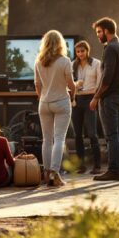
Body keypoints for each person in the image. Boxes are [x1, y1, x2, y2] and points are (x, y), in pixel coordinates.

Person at [90, 17, 119, 182]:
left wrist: (95, 97)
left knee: (112, 135)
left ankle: (114, 171)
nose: (98, 36)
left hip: (110, 98)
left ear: (106, 31)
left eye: (99, 32)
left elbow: (107, 79)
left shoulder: (110, 48)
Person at [34, 30, 76, 187]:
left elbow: (37, 85)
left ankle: (46, 174)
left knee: (46, 140)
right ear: (60, 44)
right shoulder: (65, 61)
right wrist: (73, 95)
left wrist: (41, 97)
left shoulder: (38, 61)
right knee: (59, 139)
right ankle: (55, 174)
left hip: (44, 103)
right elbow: (71, 84)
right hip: (61, 101)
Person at [71, 40, 102, 174]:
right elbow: (69, 83)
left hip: (90, 98)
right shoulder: (73, 64)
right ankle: (81, 165)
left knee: (92, 134)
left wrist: (96, 99)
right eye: (78, 51)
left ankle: (97, 165)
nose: (80, 54)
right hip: (76, 100)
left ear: (87, 51)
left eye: (82, 51)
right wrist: (75, 85)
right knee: (77, 134)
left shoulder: (96, 63)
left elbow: (100, 83)